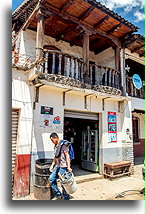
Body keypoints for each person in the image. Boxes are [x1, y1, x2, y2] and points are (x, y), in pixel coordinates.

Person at [49, 132, 72, 200]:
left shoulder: (63, 145)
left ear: (56, 138)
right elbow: (55, 157)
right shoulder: (55, 146)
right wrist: (52, 166)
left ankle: (66, 198)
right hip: (57, 166)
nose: (52, 142)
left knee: (63, 183)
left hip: (63, 166)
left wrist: (68, 167)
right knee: (51, 179)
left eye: (52, 140)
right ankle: (58, 194)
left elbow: (67, 156)